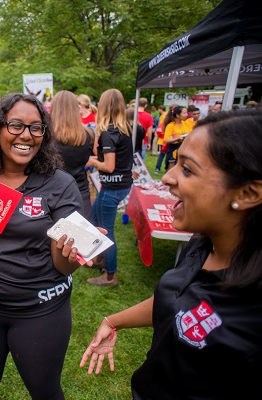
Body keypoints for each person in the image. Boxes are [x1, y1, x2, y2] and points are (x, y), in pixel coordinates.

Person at [80, 110, 262, 399]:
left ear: (247, 193)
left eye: (187, 169)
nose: (167, 177)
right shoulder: (203, 244)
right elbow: (178, 300)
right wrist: (113, 320)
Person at [0, 93, 86, 399]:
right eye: (16, 125)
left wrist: (70, 254)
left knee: (45, 391)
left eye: (36, 128)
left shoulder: (59, 184)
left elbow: (64, 265)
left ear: (44, 135)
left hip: (41, 311)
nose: (26, 135)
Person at [86, 89, 133, 287]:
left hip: (112, 187)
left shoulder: (109, 132)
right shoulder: (124, 128)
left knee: (106, 231)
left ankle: (110, 276)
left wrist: (91, 161)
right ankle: (101, 259)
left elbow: (109, 166)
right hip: (117, 185)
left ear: (103, 107)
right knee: (95, 219)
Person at [50, 90, 95, 219]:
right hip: (80, 190)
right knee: (81, 235)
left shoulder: (46, 136)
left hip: (53, 191)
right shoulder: (88, 135)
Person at [163, 105, 195, 170]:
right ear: (177, 115)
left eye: (186, 113)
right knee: (171, 171)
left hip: (185, 150)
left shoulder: (186, 124)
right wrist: (177, 138)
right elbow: (166, 140)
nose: (186, 115)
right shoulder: (171, 126)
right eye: (184, 113)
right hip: (173, 151)